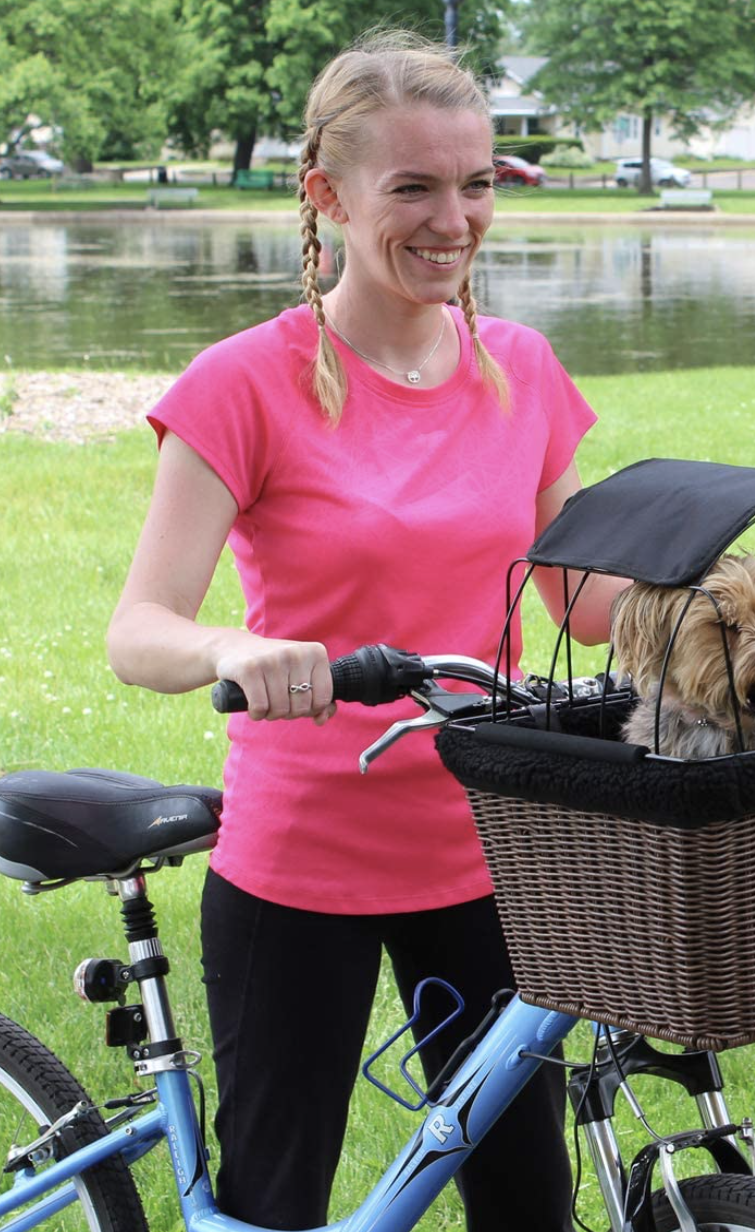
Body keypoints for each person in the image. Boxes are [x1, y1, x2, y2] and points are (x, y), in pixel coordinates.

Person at [107, 29, 623, 1231]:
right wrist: (233, 650)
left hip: (489, 846)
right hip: (304, 858)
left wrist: (723, 600)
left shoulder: (523, 369)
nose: (455, 218)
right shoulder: (245, 381)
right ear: (326, 195)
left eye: (477, 182)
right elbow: (139, 629)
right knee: (272, 1202)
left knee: (522, 1200)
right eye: (414, 187)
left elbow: (579, 599)